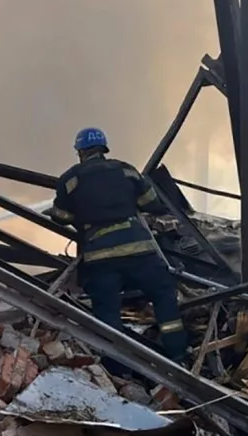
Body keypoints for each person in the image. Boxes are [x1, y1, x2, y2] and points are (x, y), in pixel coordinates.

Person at [49, 128, 187, 362]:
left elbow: (60, 216)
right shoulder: (126, 170)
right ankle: (178, 354)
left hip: (99, 256)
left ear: (80, 151)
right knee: (164, 294)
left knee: (106, 310)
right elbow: (151, 203)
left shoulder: (70, 179)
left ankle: (118, 367)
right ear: (104, 149)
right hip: (138, 249)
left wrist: (83, 217)